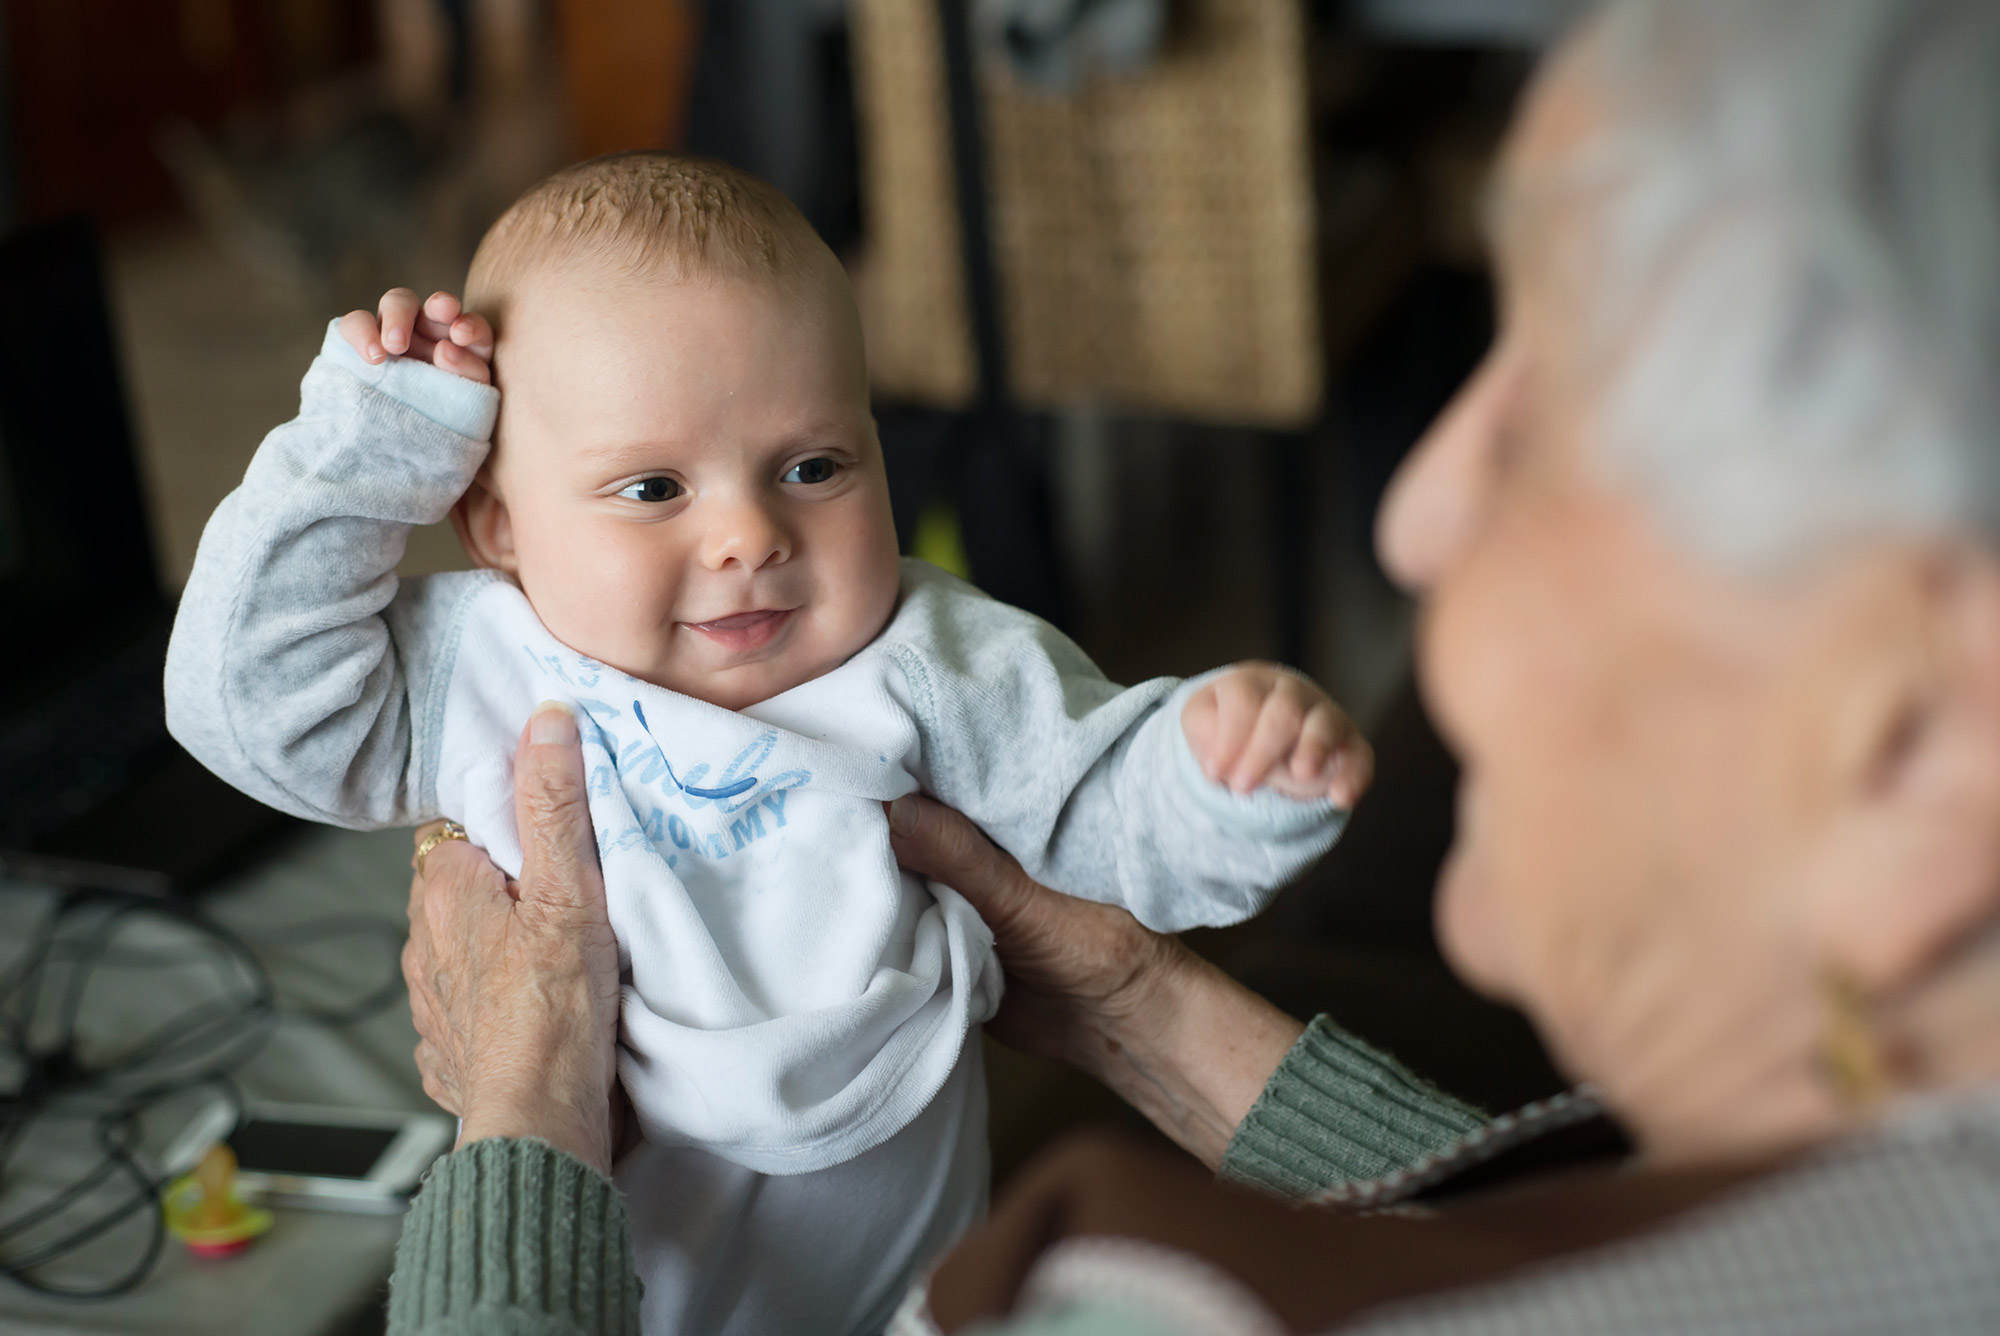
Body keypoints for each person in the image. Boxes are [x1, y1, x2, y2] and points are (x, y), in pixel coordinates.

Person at [383, 0, 2000, 1331]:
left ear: (1922, 746)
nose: (1421, 509)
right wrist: (1135, 1006)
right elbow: (1564, 1256)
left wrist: (522, 1125)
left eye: (1547, 422)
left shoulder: (1137, 1298)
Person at [163, 152, 1371, 1334]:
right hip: (590, 1277)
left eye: (812, 465)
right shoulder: (486, 666)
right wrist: (366, 453)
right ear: (494, 522)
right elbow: (248, 706)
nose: (748, 531)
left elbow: (1100, 810)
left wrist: (1221, 776)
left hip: (907, 1289)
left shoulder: (923, 656)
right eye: (651, 489)